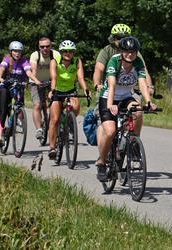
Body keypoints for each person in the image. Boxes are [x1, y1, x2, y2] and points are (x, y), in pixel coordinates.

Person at [95, 36, 156, 181]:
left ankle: (132, 142)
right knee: (110, 132)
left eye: (133, 52)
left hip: (126, 96)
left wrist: (149, 101)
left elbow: (142, 83)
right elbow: (111, 85)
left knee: (137, 109)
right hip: (108, 97)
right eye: (127, 51)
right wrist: (110, 105)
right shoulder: (114, 61)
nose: (130, 54)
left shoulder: (138, 62)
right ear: (122, 51)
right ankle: (102, 162)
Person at [48, 40, 89, 159]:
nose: (68, 53)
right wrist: (52, 90)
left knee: (76, 107)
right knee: (54, 119)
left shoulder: (77, 61)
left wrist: (85, 89)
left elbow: (80, 77)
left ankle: (69, 122)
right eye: (65, 51)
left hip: (70, 90)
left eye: (70, 51)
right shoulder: (54, 61)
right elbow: (53, 77)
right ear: (61, 52)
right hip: (57, 90)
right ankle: (52, 148)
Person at [0, 41, 41, 147]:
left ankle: (17, 120)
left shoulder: (24, 61)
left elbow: (28, 72)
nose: (17, 53)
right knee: (3, 111)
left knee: (19, 106)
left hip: (18, 86)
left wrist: (36, 80)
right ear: (11, 52)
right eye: (15, 51)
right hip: (4, 87)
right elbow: (1, 69)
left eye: (19, 51)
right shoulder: (7, 59)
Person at [93, 23, 154, 96]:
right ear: (113, 38)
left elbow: (144, 71)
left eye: (125, 37)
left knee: (136, 106)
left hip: (128, 88)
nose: (121, 40)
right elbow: (99, 69)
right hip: (108, 87)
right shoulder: (106, 51)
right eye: (119, 37)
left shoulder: (134, 52)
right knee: (100, 106)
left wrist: (149, 87)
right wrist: (97, 85)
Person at [29, 37, 60, 140]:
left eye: (47, 46)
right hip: (36, 82)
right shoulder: (35, 55)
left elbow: (60, 69)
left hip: (51, 82)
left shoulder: (55, 55)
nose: (45, 48)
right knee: (37, 105)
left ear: (51, 46)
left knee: (54, 105)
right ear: (39, 47)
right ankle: (39, 129)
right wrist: (36, 81)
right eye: (42, 47)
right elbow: (33, 70)